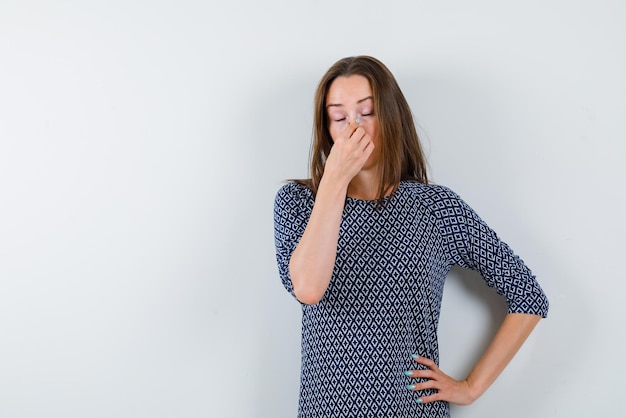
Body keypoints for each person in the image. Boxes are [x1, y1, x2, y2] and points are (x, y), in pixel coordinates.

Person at [273, 56, 549, 418]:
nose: (353, 127)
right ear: (326, 129)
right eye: (339, 117)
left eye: (367, 112)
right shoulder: (298, 202)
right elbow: (308, 289)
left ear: (391, 117)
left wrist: (470, 387)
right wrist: (335, 181)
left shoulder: (435, 207)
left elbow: (528, 295)